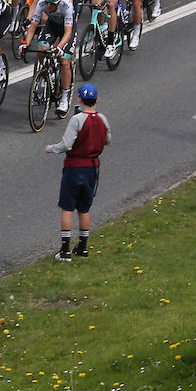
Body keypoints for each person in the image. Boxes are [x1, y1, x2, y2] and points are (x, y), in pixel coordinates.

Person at [45, 83, 111, 262]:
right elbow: (107, 140)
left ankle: (65, 249)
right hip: (92, 167)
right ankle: (82, 246)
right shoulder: (102, 119)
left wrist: (51, 148)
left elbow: (66, 144)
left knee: (67, 207)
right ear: (97, 100)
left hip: (74, 166)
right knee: (84, 208)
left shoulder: (77, 120)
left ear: (80, 99)